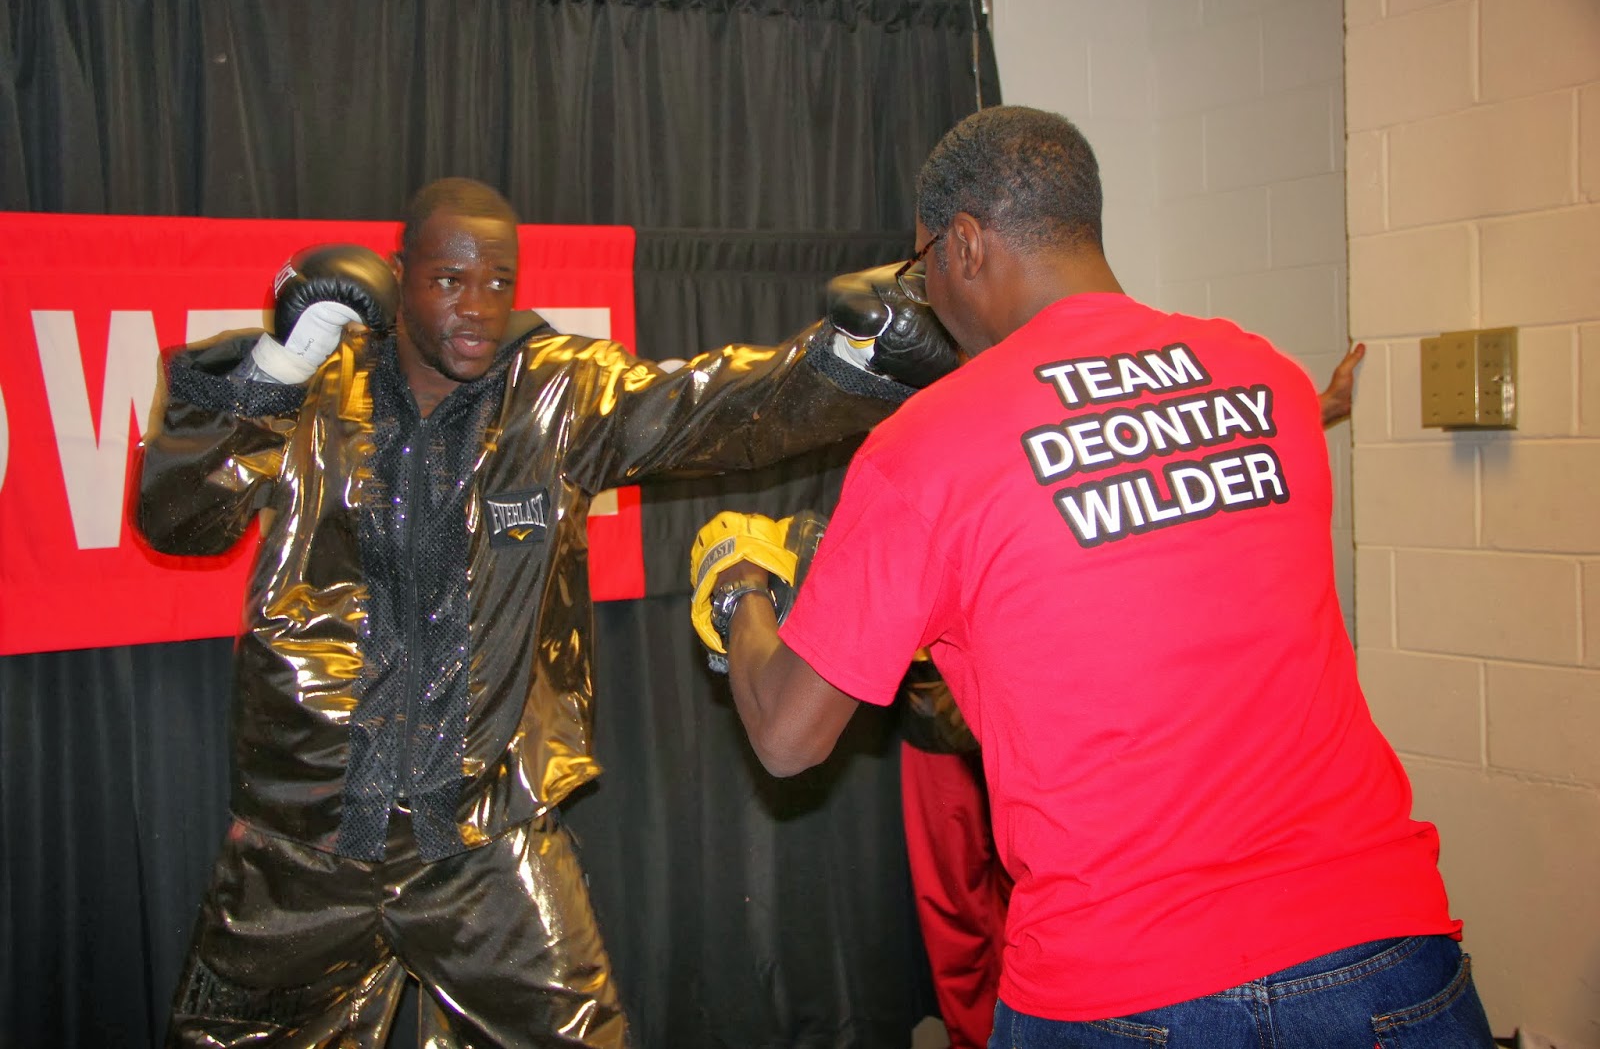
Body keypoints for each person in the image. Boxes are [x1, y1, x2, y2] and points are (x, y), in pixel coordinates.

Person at [692, 107, 1494, 1048]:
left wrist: (740, 587)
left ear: (964, 245)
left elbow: (788, 737)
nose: (928, 296)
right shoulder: (1270, 380)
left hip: (1126, 982)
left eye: (922, 268)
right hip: (1384, 951)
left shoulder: (928, 447)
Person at [136, 176, 956, 1047]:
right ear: (398, 275)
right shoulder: (314, 382)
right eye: (450, 280)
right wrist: (279, 366)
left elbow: (710, 408)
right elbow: (178, 519)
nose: (478, 308)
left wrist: (850, 362)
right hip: (305, 838)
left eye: (499, 281)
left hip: (485, 837)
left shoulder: (556, 388)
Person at [897, 344, 1366, 1049]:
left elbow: (1158, 458)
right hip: (937, 697)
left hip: (1040, 707)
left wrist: (1317, 407)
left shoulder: (1045, 406)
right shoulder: (921, 428)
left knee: (1034, 885)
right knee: (954, 901)